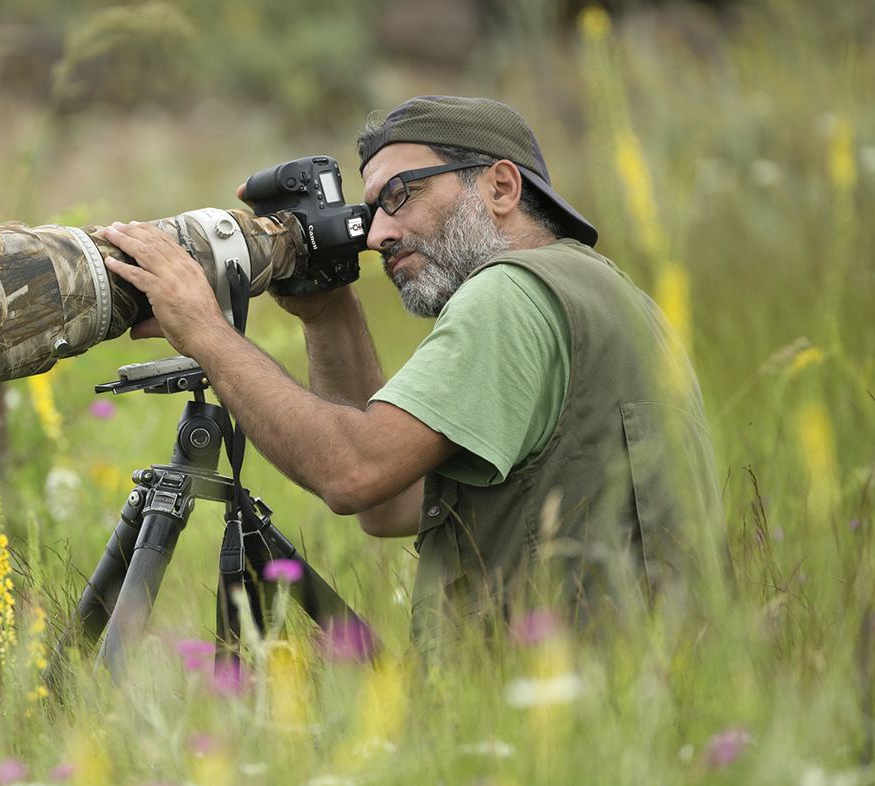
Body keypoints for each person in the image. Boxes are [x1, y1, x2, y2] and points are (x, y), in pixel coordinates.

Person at [101, 96, 729, 649]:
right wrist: (327, 315)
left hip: (557, 715)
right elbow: (390, 501)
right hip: (645, 700)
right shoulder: (604, 293)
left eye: (401, 195)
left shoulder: (509, 296)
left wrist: (204, 330)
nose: (377, 234)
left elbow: (353, 472)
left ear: (501, 188)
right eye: (370, 211)